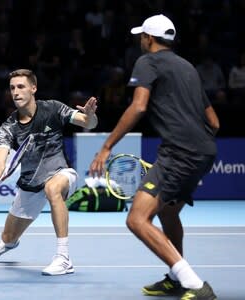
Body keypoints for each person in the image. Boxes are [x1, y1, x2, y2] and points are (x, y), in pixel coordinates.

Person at [88, 15, 219, 299]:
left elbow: (138, 107)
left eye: (142, 36)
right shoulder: (188, 68)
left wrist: (107, 146)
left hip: (179, 152)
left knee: (137, 219)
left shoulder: (148, 62)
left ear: (149, 38)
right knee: (168, 213)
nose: (140, 40)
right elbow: (215, 121)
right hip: (204, 151)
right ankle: (176, 278)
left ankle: (195, 284)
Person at [0, 69, 98, 275]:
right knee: (8, 236)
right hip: (30, 184)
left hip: (61, 173)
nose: (15, 92)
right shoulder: (9, 127)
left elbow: (87, 123)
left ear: (33, 88)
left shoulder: (53, 108)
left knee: (52, 188)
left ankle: (63, 258)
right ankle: (8, 243)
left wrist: (90, 116)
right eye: (12, 88)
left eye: (21, 86)